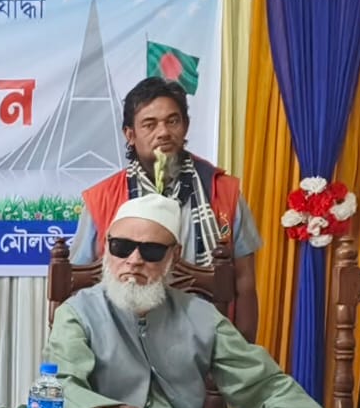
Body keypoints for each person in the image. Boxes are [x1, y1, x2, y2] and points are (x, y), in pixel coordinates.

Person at [45, 193, 324, 408]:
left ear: (174, 256)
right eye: (122, 247)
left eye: (151, 251)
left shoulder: (201, 315)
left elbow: (255, 377)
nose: (134, 260)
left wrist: (284, 405)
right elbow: (61, 381)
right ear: (107, 247)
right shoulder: (78, 313)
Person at [70, 78, 262, 340]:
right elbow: (77, 281)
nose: (163, 132)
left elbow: (245, 284)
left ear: (186, 126)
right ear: (130, 135)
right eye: (150, 124)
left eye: (172, 121)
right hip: (121, 341)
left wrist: (240, 355)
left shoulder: (223, 193)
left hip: (203, 339)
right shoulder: (102, 198)